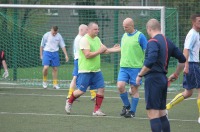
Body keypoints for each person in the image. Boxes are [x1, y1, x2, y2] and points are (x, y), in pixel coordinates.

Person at [136, 19, 186, 132]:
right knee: (162, 113)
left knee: (153, 113)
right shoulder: (167, 41)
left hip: (153, 79)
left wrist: (139, 75)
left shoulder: (152, 41)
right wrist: (176, 74)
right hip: (163, 80)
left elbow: (151, 60)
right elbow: (182, 59)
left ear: (149, 29)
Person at [65, 22, 120, 116]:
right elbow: (87, 55)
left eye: (98, 29)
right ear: (89, 30)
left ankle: (97, 110)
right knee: (81, 91)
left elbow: (104, 50)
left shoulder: (97, 39)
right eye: (95, 29)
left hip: (96, 70)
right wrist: (100, 51)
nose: (97, 31)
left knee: (101, 88)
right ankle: (69, 101)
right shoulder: (84, 40)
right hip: (85, 70)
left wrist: (117, 49)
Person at [166, 14, 200, 124]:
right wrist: (186, 65)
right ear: (194, 22)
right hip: (192, 65)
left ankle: (167, 107)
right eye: (199, 21)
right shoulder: (192, 34)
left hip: (193, 65)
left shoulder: (196, 34)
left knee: (188, 93)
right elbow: (186, 50)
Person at [117, 17, 148, 118]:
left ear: (132, 26)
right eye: (123, 27)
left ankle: (132, 112)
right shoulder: (124, 36)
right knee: (120, 86)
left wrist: (145, 65)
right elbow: (123, 49)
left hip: (136, 68)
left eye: (126, 27)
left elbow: (147, 50)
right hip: (123, 67)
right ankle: (127, 106)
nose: (124, 28)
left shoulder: (140, 36)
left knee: (134, 89)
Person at [67, 24, 96, 101]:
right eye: (86, 30)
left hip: (79, 60)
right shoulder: (81, 39)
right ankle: (70, 95)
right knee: (78, 77)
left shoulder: (79, 38)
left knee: (82, 76)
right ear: (81, 30)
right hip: (80, 61)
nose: (88, 31)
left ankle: (93, 94)